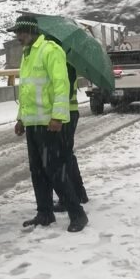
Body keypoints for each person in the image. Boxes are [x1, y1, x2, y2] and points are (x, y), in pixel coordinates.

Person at [9, 13, 89, 233]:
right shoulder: (27, 54)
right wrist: (20, 119)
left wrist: (58, 116)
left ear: (32, 32)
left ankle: (77, 213)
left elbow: (61, 85)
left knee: (54, 169)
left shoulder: (50, 50)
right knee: (37, 170)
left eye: (20, 33)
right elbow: (26, 91)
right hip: (33, 122)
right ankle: (44, 213)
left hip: (47, 122)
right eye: (16, 33)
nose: (17, 37)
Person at [54, 63, 90, 211]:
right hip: (69, 112)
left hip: (66, 114)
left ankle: (69, 196)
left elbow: (65, 91)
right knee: (67, 155)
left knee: (63, 156)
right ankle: (79, 192)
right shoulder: (68, 62)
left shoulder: (65, 64)